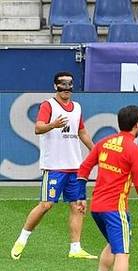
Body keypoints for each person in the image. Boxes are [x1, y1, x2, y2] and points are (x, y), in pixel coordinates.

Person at [77, 105, 138, 271]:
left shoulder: (104, 142)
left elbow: (84, 168)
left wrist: (80, 196)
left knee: (113, 244)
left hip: (97, 207)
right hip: (115, 209)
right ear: (137, 125)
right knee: (123, 252)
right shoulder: (135, 150)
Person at [11, 71, 96, 260]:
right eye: (62, 84)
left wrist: (96, 150)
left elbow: (82, 132)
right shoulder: (48, 105)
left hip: (75, 166)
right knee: (46, 205)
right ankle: (22, 238)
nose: (66, 88)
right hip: (54, 166)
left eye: (69, 84)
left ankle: (75, 248)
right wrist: (54, 124)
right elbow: (38, 128)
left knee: (77, 206)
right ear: (55, 86)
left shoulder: (77, 108)